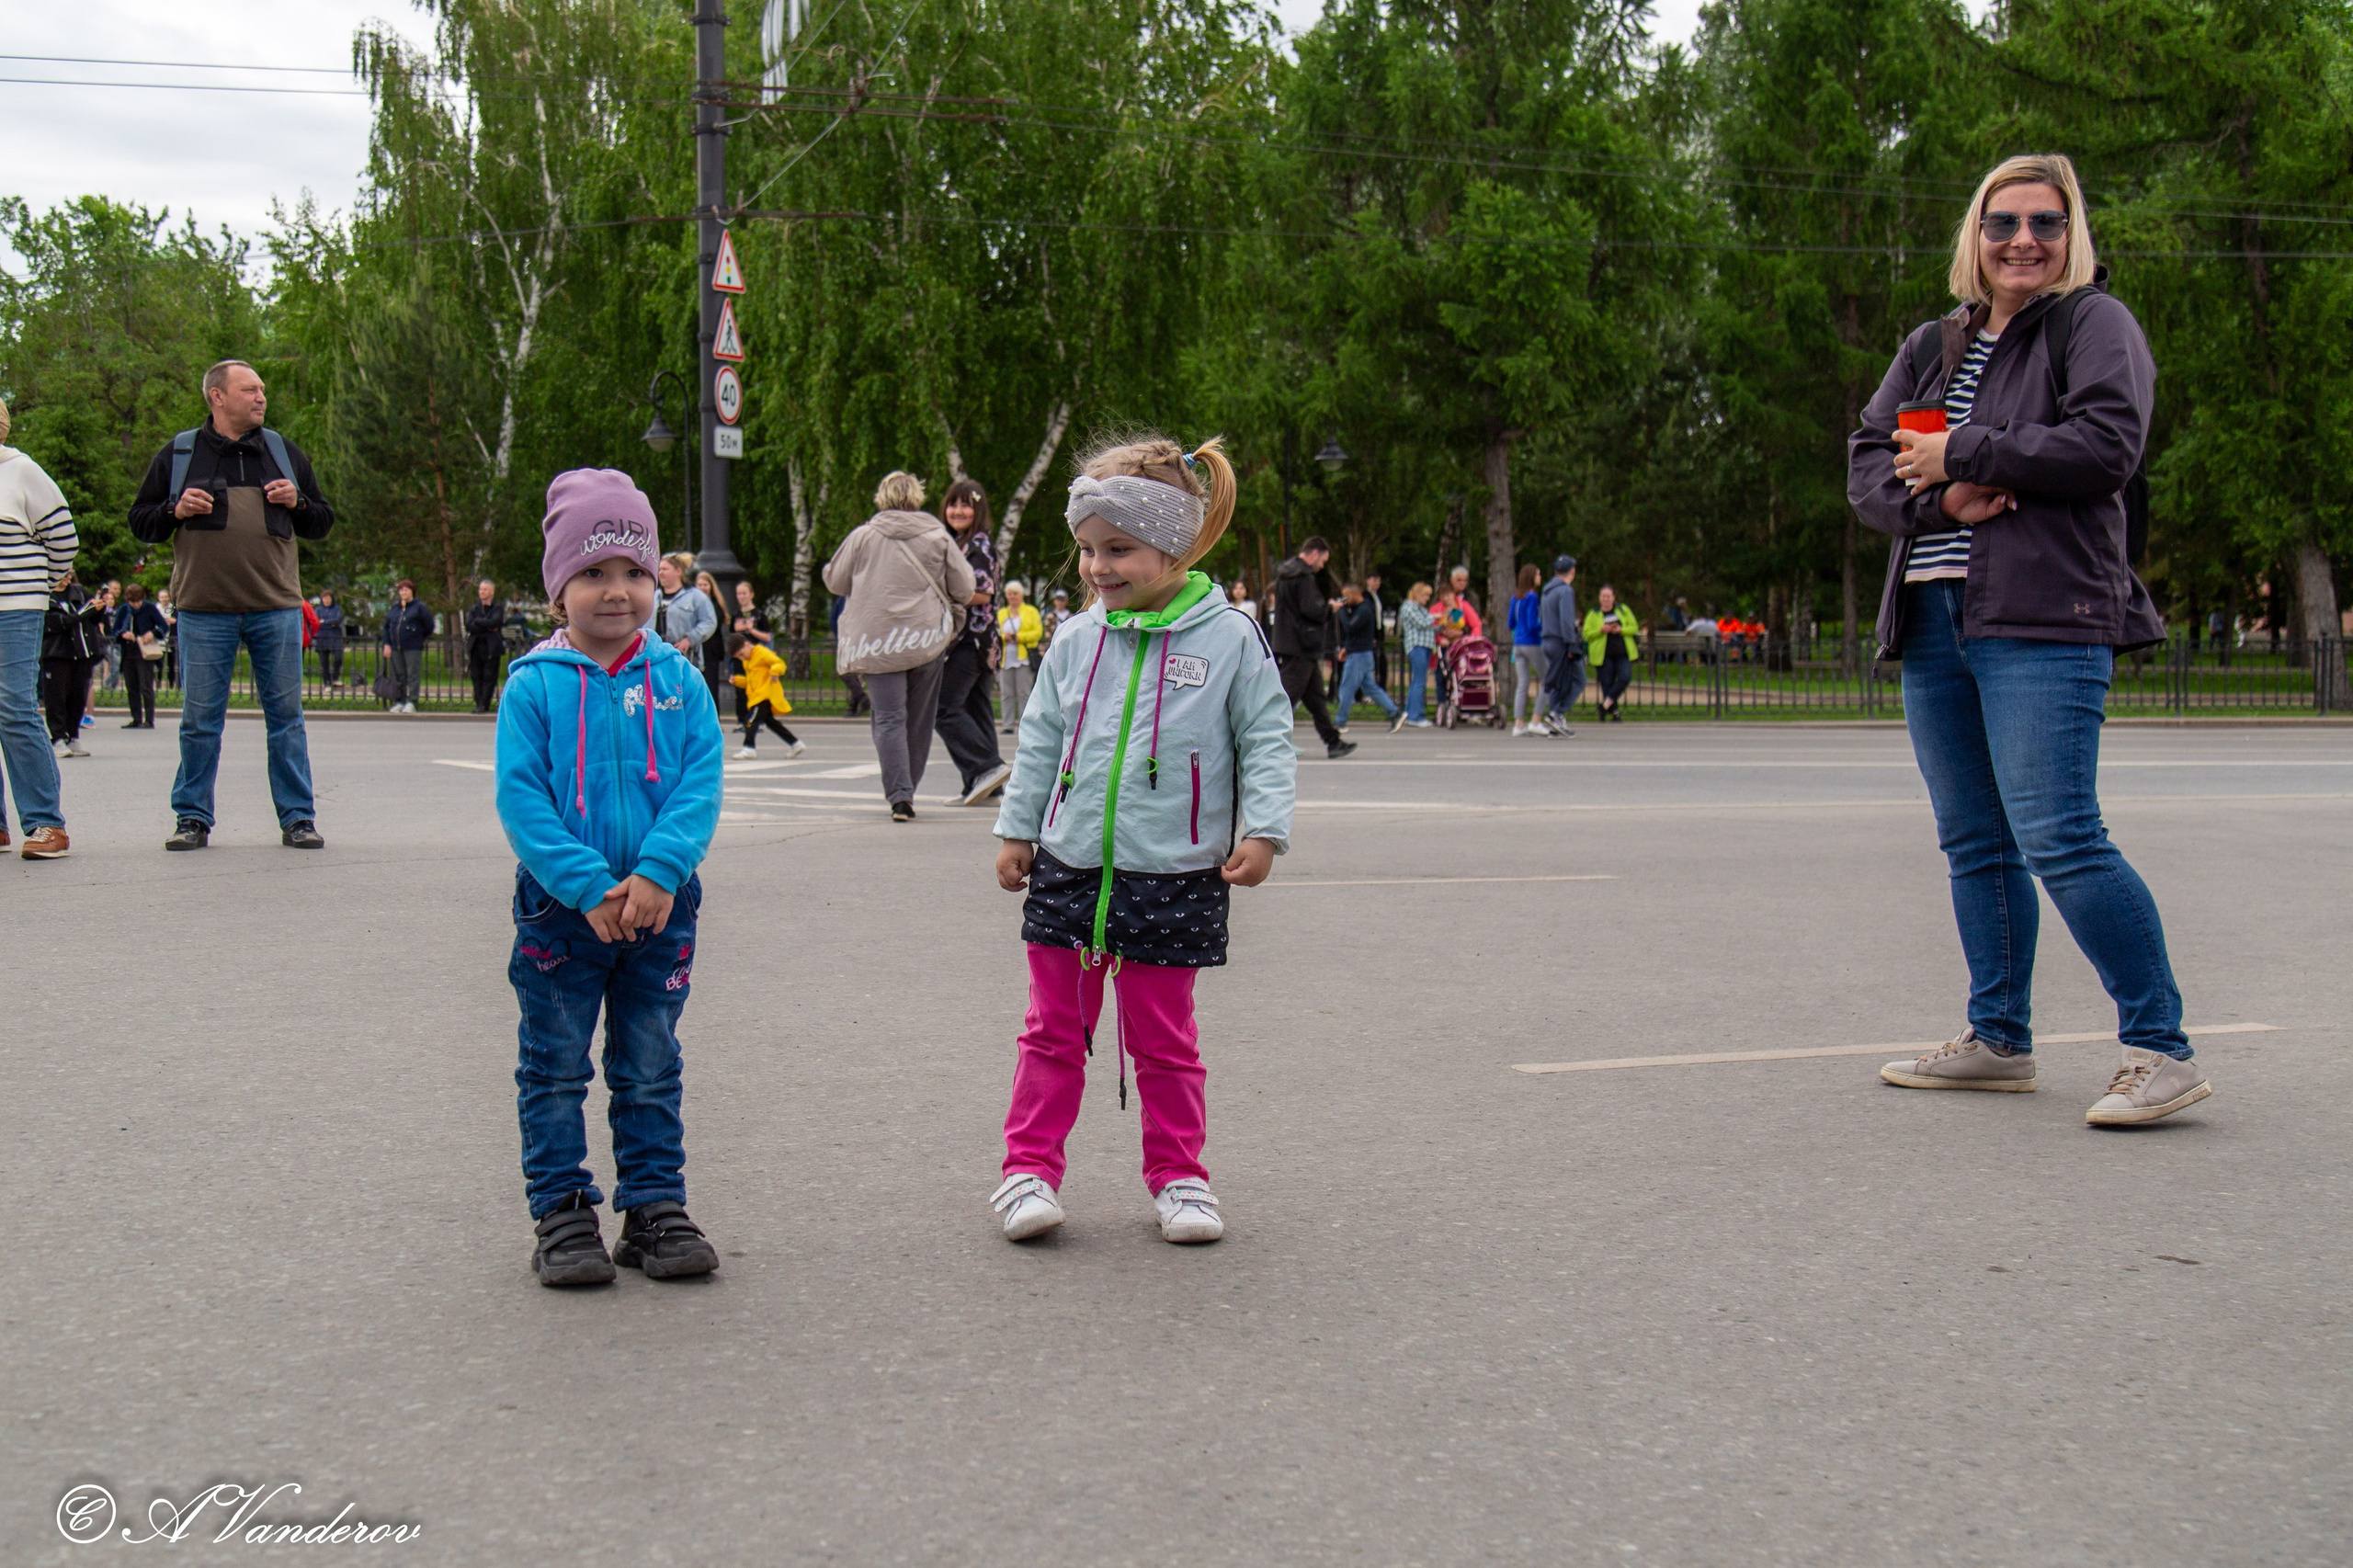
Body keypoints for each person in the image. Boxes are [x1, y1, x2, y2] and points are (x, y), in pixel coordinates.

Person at [1851, 151, 2205, 1125]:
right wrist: (1942, 501)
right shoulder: (1935, 343)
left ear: (2070, 233)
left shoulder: (2093, 323)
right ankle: (1998, 1038)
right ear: (1975, 235)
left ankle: (2161, 1049)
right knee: (1975, 839)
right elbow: (1869, 463)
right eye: (2002, 222)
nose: (2023, 240)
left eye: (2046, 223)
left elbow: (2106, 445)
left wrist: (1961, 452)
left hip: (2045, 614)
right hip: (1933, 616)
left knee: (2060, 834)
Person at [989, 433, 1294, 1246]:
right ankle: (1028, 1171)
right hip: (1070, 867)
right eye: (1088, 549)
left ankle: (1181, 1178)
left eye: (1118, 549)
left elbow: (1267, 738)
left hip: (1176, 873)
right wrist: (1018, 828)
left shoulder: (1230, 636)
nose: (1097, 567)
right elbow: (1041, 740)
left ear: (1174, 545)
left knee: (1165, 1041)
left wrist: (1265, 832)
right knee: (1052, 1031)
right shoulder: (1075, 639)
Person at [495, 467, 723, 1286]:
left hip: (662, 906)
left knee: (650, 1064)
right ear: (559, 588)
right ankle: (562, 1212)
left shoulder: (680, 681)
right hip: (564, 912)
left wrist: (660, 871)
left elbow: (700, 783)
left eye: (634, 571)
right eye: (593, 572)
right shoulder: (534, 686)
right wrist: (587, 886)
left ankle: (654, 1207)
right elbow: (522, 800)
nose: (618, 590)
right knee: (555, 1066)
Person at [127, 360, 333, 849]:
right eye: (250, 390)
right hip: (203, 610)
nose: (261, 397)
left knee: (286, 720)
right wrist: (175, 509)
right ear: (217, 397)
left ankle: (298, 819)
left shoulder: (282, 452)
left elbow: (322, 521)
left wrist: (299, 503)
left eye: (262, 389)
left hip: (275, 607)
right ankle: (192, 818)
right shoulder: (181, 453)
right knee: (200, 722)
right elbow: (140, 521)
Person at [822, 471, 975, 821]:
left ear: (882, 497)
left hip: (878, 642)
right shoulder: (938, 536)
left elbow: (835, 581)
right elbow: (965, 588)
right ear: (917, 497)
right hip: (925, 639)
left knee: (888, 718)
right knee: (918, 721)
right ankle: (908, 790)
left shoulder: (863, 536)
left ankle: (899, 796)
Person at [0, 409, 76, 858]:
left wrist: (34, 587)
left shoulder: (22, 471)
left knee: (14, 708)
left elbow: (64, 540)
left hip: (14, 608)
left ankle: (47, 823)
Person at [936, 479, 1012, 806]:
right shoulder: (960, 543)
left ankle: (985, 767)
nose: (958, 511)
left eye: (965, 505)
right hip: (982, 641)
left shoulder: (977, 544)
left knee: (943, 708)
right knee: (976, 709)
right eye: (953, 504)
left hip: (972, 640)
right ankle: (986, 788)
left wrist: (939, 596)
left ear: (977, 509)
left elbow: (982, 592)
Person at [1270, 536, 1354, 759]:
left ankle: (1333, 742)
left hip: (1289, 642)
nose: (1322, 566)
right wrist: (1329, 608)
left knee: (1316, 698)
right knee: (1284, 698)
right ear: (1315, 553)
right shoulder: (1304, 576)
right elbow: (1312, 609)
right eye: (1323, 561)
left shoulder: (1285, 574)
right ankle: (1265, 740)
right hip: (1302, 645)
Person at [42, 571, 104, 758]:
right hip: (57, 653)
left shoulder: (79, 592)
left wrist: (99, 609)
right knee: (56, 697)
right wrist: (85, 612)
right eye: (63, 574)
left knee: (78, 696)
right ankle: (58, 738)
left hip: (82, 653)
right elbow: (59, 622)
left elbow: (94, 619)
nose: (67, 578)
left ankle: (73, 736)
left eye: (69, 574)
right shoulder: (46, 596)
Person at [1331, 582, 1402, 732]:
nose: (1344, 600)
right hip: (1359, 652)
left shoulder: (1364, 609)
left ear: (1356, 594)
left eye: (1346, 596)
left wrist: (1341, 610)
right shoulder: (1360, 609)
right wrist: (1346, 648)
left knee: (1346, 688)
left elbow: (1350, 627)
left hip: (1359, 656)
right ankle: (1394, 712)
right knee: (1370, 688)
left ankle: (1340, 721)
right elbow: (1356, 635)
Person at [726, 631, 803, 758]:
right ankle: (795, 743)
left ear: (747, 644)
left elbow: (779, 663)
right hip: (757, 695)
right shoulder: (748, 660)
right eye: (738, 657)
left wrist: (775, 671)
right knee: (771, 723)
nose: (742, 658)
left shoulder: (761, 652)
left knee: (750, 721)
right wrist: (738, 681)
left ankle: (749, 748)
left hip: (764, 695)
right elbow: (751, 682)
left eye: (741, 654)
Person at [653, 553, 717, 681]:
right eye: (659, 569)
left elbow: (709, 622)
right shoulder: (653, 596)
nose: (661, 573)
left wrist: (690, 639)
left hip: (685, 660)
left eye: (665, 569)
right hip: (655, 661)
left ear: (678, 571)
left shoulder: (695, 596)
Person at [1539, 555, 1584, 733]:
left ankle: (1554, 720)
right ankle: (1557, 713)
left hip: (1548, 639)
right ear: (1572, 571)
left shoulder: (1548, 590)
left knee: (1558, 680)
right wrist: (1571, 643)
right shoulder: (1565, 591)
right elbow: (1566, 620)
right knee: (1579, 679)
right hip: (1561, 641)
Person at [115, 583, 167, 729]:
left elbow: (163, 626)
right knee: (132, 687)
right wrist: (123, 634)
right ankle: (136, 718)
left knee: (146, 686)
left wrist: (152, 633)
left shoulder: (149, 608)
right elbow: (115, 630)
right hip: (128, 651)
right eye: (133, 602)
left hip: (144, 652)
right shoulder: (124, 609)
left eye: (138, 601)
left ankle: (149, 720)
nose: (136, 605)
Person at [1506, 563, 1550, 736]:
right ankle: (1536, 720)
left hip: (1518, 644)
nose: (1540, 577)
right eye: (1538, 574)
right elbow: (1533, 624)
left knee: (1523, 683)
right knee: (1547, 680)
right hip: (1532, 642)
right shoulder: (1532, 597)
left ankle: (1518, 724)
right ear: (1532, 577)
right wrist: (1544, 626)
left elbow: (1510, 623)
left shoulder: (1515, 597)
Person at [1584, 585, 1638, 722]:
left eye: (1608, 596)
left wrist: (1621, 630)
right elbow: (1586, 634)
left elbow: (1634, 627)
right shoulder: (1593, 614)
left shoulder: (1623, 610)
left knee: (1624, 677)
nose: (1606, 599)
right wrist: (1601, 630)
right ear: (1599, 598)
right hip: (1603, 655)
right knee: (1606, 683)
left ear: (1613, 597)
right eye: (1603, 596)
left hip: (1622, 653)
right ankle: (1615, 713)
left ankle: (1605, 705)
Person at [381, 580, 435, 713]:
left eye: (406, 590)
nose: (403, 593)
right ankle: (401, 700)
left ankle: (412, 701)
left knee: (412, 675)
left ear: (412, 591)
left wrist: (417, 636)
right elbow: (387, 626)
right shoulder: (395, 608)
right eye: (401, 590)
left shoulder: (419, 607)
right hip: (396, 647)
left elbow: (429, 626)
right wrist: (387, 644)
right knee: (400, 675)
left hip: (412, 647)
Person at [995, 579, 1041, 733]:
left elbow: (1037, 632)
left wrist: (1019, 637)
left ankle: (1025, 724)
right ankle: (1007, 725)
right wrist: (1005, 637)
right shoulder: (1002, 613)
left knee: (1024, 693)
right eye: (1009, 594)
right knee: (1006, 693)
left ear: (1021, 595)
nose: (1012, 597)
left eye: (1015, 594)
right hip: (1005, 659)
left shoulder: (1031, 612)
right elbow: (996, 632)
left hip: (1023, 659)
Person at [727, 579, 775, 728]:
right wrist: (738, 629)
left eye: (744, 593)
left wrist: (751, 629)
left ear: (751, 594)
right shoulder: (736, 615)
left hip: (754, 656)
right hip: (739, 657)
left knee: (755, 687)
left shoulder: (759, 615)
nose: (741, 597)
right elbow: (732, 635)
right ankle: (742, 720)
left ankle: (757, 719)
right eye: (739, 594)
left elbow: (767, 636)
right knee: (740, 688)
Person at [464, 579, 510, 713]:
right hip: (476, 646)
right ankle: (479, 703)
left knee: (489, 676)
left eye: (485, 589)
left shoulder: (497, 608)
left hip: (491, 647)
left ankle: (485, 704)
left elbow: (495, 622)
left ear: (492, 592)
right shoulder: (474, 608)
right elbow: (469, 625)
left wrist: (478, 622)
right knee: (476, 675)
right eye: (480, 589)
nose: (482, 592)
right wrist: (486, 625)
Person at [1397, 582, 1438, 727]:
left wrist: (1442, 625)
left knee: (1417, 681)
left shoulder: (1420, 608)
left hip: (1424, 646)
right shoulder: (1409, 607)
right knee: (1419, 681)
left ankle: (1409, 713)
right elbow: (1422, 623)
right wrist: (1435, 616)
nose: (1427, 598)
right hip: (1417, 646)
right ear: (1417, 594)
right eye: (1425, 595)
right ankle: (1416, 716)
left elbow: (1428, 627)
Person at [828, 592, 870, 717]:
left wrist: (840, 636)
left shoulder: (844, 597)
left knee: (845, 671)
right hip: (863, 638)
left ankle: (862, 699)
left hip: (847, 638)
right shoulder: (864, 596)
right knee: (854, 672)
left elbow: (833, 619)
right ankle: (853, 707)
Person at [313, 589, 347, 689]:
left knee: (338, 657)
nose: (327, 600)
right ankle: (327, 682)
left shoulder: (337, 608)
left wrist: (324, 621)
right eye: (325, 598)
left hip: (335, 636)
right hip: (322, 637)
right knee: (324, 662)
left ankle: (335, 678)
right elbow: (316, 621)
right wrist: (330, 623)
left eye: (328, 598)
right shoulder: (318, 610)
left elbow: (338, 619)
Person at [1039, 586, 1074, 652]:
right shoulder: (1050, 616)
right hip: (1053, 645)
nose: (1060, 603)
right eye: (1058, 600)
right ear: (1054, 601)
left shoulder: (1071, 617)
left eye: (1062, 601)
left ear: (1066, 602)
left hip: (1067, 645)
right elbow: (1047, 631)